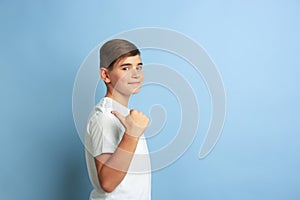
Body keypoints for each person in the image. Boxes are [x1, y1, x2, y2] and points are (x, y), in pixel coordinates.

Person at [85, 39, 151, 200]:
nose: (136, 74)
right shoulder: (104, 117)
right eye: (126, 68)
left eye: (139, 67)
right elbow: (107, 182)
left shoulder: (125, 115)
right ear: (105, 75)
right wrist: (132, 135)